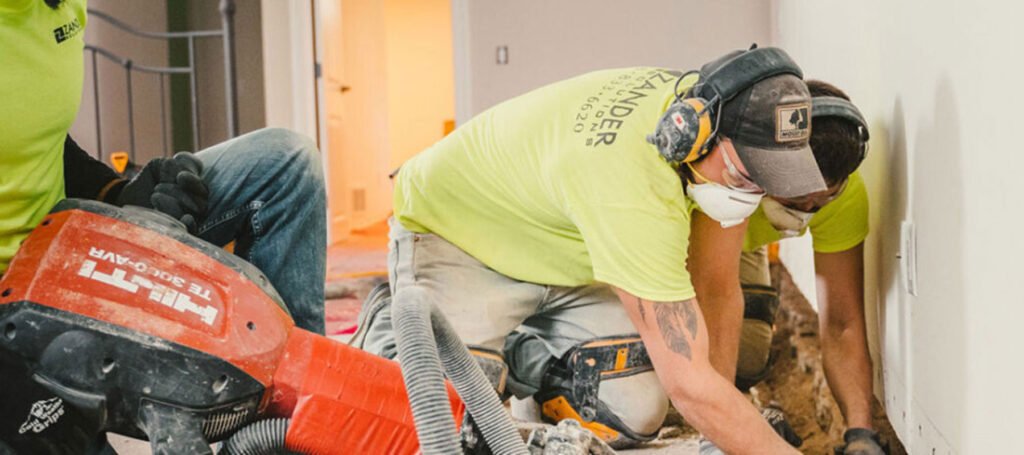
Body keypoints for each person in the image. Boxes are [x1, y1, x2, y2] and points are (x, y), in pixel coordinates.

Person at [352, 45, 828, 452]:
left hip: (567, 260)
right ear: (692, 130)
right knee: (428, 419)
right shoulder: (631, 185)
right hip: (462, 239)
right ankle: (396, 325)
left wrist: (720, 434)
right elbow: (690, 386)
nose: (751, 197)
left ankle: (514, 357)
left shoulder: (710, 135)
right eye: (747, 178)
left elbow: (717, 289)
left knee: (637, 412)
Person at [1, 0, 326, 452]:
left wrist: (116, 192)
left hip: (60, 241)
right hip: (11, 302)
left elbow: (37, 133)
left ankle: (300, 406)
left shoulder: (59, 7)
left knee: (283, 163)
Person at [720, 80, 887, 454]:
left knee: (745, 357)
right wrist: (737, 428)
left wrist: (861, 435)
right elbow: (707, 301)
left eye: (822, 200)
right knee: (643, 398)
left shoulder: (843, 192)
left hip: (740, 239)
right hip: (673, 248)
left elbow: (843, 322)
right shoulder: (721, 179)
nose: (806, 211)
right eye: (797, 198)